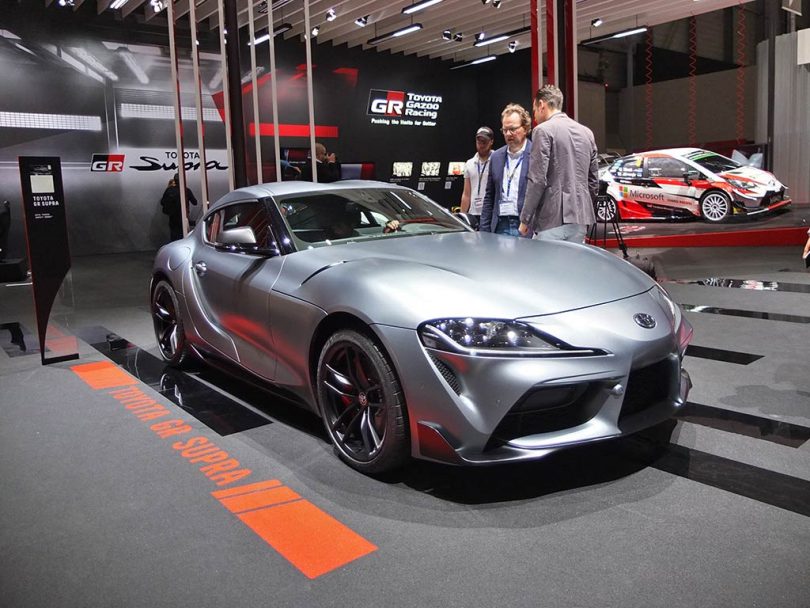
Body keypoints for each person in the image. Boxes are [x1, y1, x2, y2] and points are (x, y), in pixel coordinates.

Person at [519, 84, 598, 243]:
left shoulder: (543, 130)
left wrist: (525, 219)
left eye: (534, 110)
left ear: (542, 105)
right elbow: (593, 182)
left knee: (547, 268)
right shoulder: (587, 133)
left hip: (551, 220)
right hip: (580, 221)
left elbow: (537, 180)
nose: (534, 116)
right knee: (572, 268)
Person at [480, 104, 533, 236]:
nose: (508, 134)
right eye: (505, 130)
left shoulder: (536, 154)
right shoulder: (496, 156)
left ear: (525, 128)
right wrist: (484, 230)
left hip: (525, 226)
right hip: (499, 225)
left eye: (513, 129)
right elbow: (489, 196)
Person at [459, 126, 495, 229]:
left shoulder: (497, 160)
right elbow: (466, 194)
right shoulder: (470, 163)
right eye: (479, 141)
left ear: (491, 142)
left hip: (490, 213)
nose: (481, 145)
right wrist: (462, 216)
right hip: (473, 213)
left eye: (484, 142)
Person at [160, 173, 198, 241]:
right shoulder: (186, 190)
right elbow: (195, 202)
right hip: (183, 218)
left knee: (174, 237)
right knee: (184, 238)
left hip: (172, 218)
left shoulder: (169, 190)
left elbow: (162, 202)